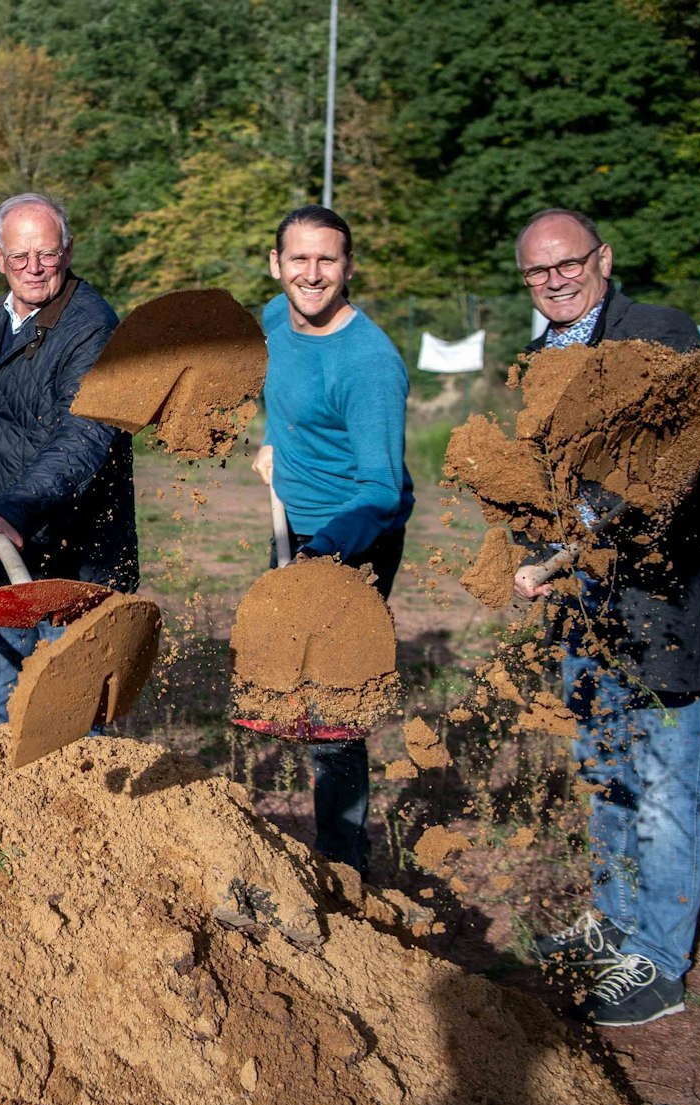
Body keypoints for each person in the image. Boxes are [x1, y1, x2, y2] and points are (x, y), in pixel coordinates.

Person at [511, 208, 700, 1026]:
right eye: (537, 271)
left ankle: (658, 962)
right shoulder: (537, 359)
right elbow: (534, 482)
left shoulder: (659, 331)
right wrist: (529, 543)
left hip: (671, 609)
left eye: (568, 262)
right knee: (610, 775)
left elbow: (660, 465)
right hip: (591, 615)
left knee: (667, 788)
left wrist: (568, 540)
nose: (555, 278)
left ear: (603, 259)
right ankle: (614, 925)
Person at [0, 193, 136, 725]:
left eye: (46, 254)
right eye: (19, 257)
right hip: (6, 545)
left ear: (66, 252)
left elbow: (84, 436)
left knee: (70, 718)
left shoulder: (92, 330)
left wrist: (17, 511)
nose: (33, 269)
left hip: (75, 555)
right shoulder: (3, 315)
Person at [251, 204, 414, 875]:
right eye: (299, 259)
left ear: (348, 268)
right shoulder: (269, 318)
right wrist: (274, 441)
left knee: (332, 713)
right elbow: (283, 390)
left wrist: (323, 555)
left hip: (357, 538)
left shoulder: (371, 363)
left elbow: (381, 489)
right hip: (293, 520)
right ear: (276, 264)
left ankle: (343, 861)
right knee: (283, 680)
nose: (311, 273)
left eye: (327, 260)